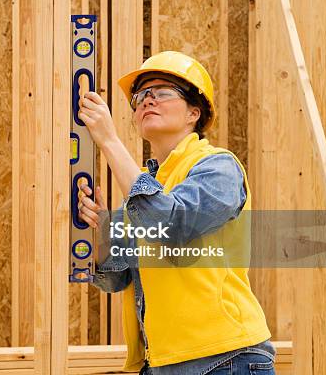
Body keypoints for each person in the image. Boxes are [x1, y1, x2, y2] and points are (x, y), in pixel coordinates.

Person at [77, 51, 276, 374]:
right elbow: (115, 278)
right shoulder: (145, 187)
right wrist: (102, 232)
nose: (146, 101)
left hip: (225, 359)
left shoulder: (218, 167)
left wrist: (110, 141)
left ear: (193, 113)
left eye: (163, 93)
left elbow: (171, 224)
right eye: (141, 96)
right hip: (165, 363)